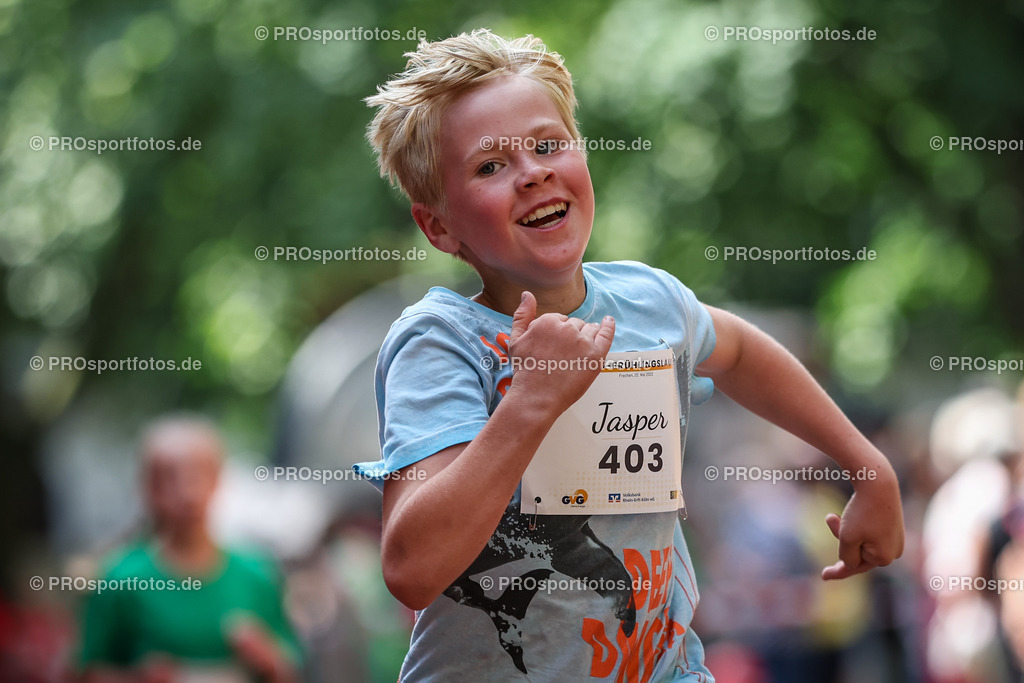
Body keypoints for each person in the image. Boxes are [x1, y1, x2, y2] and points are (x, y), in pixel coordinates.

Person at [354, 29, 904, 682]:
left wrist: (868, 465)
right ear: (438, 225)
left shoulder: (650, 301)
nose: (532, 171)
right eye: (489, 166)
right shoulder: (439, 340)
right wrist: (530, 404)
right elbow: (412, 570)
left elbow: (739, 350)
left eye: (548, 145)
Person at [77, 416, 301, 682]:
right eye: (172, 478)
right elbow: (85, 672)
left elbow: (291, 668)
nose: (189, 493)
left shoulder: (258, 575)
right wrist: (135, 678)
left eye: (200, 474)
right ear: (148, 487)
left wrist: (267, 659)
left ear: (218, 480)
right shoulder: (121, 580)